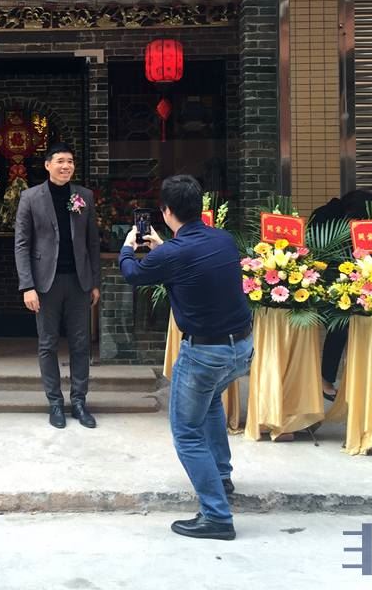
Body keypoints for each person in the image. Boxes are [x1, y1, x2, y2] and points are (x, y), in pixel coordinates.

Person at [119, 175, 253, 540]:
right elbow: (191, 261)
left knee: (186, 434)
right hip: (241, 349)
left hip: (205, 354)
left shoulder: (172, 254)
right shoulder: (223, 239)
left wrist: (128, 246)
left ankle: (217, 516)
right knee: (210, 406)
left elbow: (133, 274)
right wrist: (164, 246)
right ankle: (221, 477)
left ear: (165, 211)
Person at [14, 142, 101, 429]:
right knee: (47, 344)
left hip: (78, 282)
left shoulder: (84, 196)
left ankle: (79, 402)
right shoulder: (30, 197)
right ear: (48, 165)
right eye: (61, 161)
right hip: (45, 284)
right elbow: (22, 244)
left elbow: (92, 242)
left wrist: (95, 282)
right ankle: (55, 403)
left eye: (70, 161)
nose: (66, 166)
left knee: (80, 344)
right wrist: (27, 286)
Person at [309, 189, 372, 400]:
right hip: (328, 282)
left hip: (346, 281)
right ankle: (325, 381)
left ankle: (337, 380)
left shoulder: (334, 214)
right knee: (338, 330)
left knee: (342, 330)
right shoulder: (330, 219)